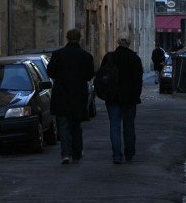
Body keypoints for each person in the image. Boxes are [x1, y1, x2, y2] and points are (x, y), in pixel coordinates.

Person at [47, 28, 94, 164]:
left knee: (63, 125)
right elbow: (89, 75)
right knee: (76, 125)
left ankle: (66, 154)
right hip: (78, 95)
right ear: (79, 39)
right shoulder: (86, 56)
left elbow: (50, 72)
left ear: (67, 38)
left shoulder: (58, 55)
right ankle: (77, 153)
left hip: (61, 95)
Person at [100, 36, 143, 164]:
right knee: (129, 126)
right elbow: (138, 80)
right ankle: (129, 153)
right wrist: (136, 95)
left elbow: (102, 76)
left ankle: (117, 155)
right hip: (129, 98)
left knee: (114, 126)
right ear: (129, 44)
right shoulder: (134, 58)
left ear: (118, 43)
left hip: (112, 97)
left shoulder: (109, 57)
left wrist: (105, 94)